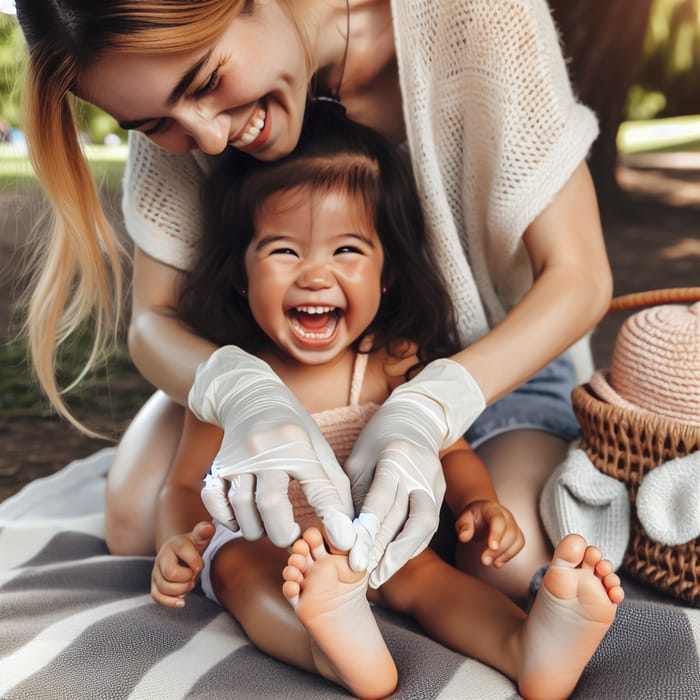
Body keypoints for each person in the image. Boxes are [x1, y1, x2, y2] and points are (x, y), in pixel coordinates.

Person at [14, 0, 612, 604]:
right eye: (150, 125)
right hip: (279, 362)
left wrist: (428, 406)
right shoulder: (157, 78)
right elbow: (152, 320)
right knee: (140, 522)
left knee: (502, 566)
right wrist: (245, 393)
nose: (210, 137)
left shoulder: (479, 14)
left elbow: (579, 277)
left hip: (496, 367)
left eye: (210, 81)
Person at [151, 101, 623, 700]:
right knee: (242, 570)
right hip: (265, 545)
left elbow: (447, 451)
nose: (315, 276)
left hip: (370, 541)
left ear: (387, 274)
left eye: (346, 250)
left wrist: (480, 501)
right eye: (284, 251)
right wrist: (177, 540)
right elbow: (184, 483)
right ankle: (328, 650)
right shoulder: (236, 379)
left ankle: (527, 646)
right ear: (241, 273)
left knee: (428, 576)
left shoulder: (392, 362)